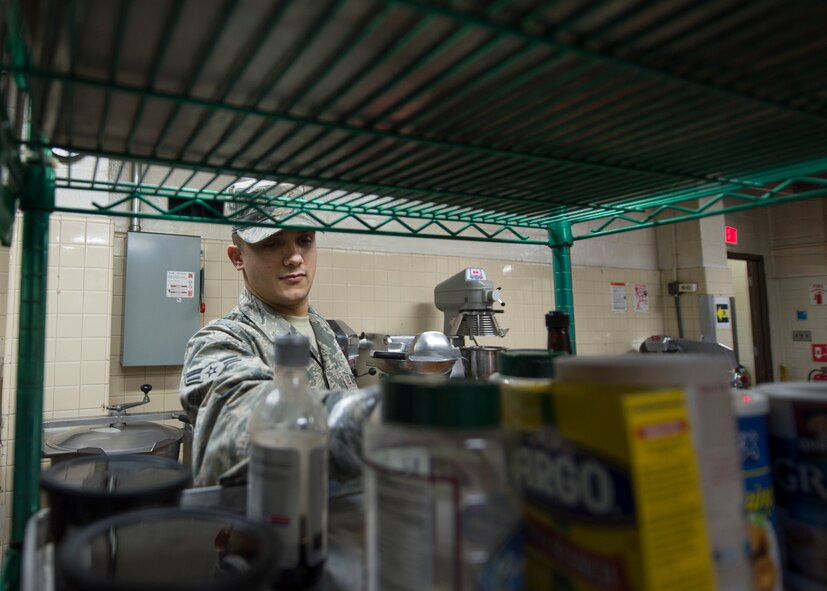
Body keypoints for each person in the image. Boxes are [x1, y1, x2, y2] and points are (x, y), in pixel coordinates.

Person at [180, 181, 357, 487]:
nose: (295, 257)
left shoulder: (322, 329)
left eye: (304, 239)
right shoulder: (221, 341)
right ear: (238, 257)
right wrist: (370, 418)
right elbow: (235, 424)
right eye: (272, 243)